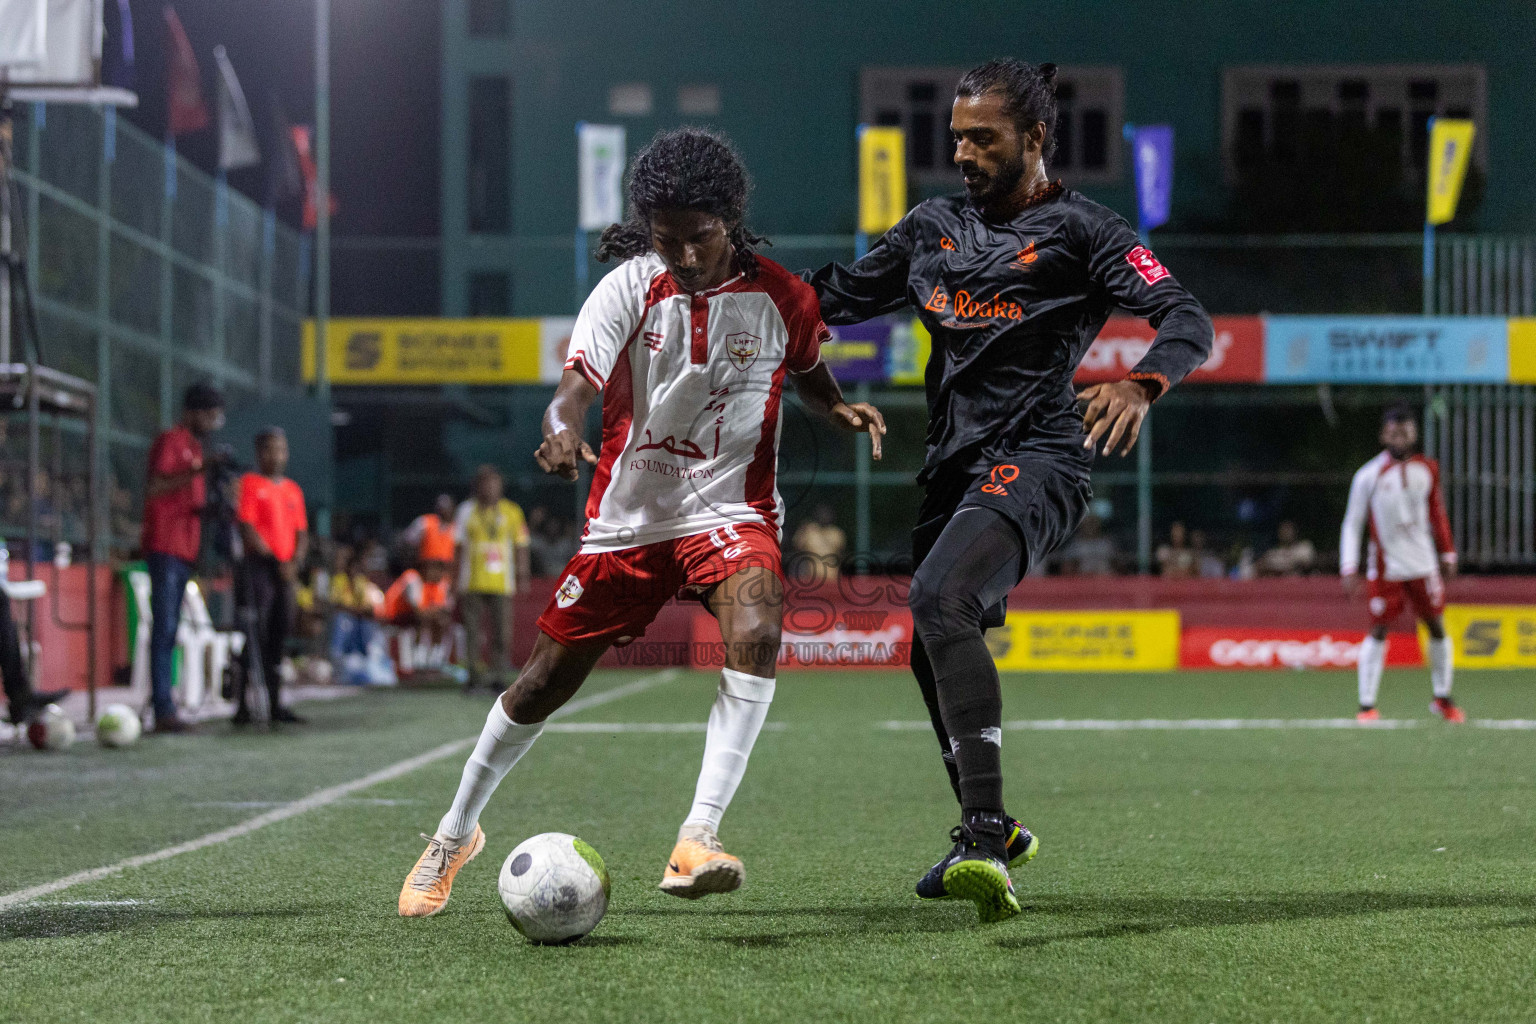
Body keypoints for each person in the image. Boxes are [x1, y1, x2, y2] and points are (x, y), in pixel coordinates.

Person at [398, 127, 884, 918]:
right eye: (668, 240)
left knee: (758, 625)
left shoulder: (785, 297)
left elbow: (808, 371)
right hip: (629, 518)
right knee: (542, 684)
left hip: (729, 506)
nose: (685, 255)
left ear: (731, 219)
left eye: (700, 237)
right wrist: (559, 429)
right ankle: (454, 833)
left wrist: (840, 408)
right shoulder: (630, 285)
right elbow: (574, 385)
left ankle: (699, 834)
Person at [805, 59, 1213, 921]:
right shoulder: (929, 228)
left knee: (939, 596)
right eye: (956, 135)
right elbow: (831, 298)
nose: (962, 151)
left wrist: (1142, 383)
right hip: (954, 468)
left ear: (1034, 138)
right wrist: (730, 277)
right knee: (928, 636)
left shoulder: (1087, 231)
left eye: (982, 137)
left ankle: (983, 836)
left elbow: (1186, 316)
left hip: (1043, 453)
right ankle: (994, 825)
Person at [1340, 404, 1462, 723]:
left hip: (1423, 562)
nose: (1400, 437)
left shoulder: (1428, 470)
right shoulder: (1368, 475)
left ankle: (1443, 698)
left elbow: (1438, 513)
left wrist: (1447, 552)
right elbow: (1353, 523)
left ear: (1415, 433)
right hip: (1386, 565)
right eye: (1394, 431)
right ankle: (1366, 704)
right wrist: (1349, 566)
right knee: (1379, 629)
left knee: (1436, 625)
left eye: (1406, 431)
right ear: (1383, 435)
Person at [140, 382, 225, 734]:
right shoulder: (173, 441)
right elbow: (156, 486)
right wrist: (199, 470)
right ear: (192, 411)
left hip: (184, 550)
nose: (212, 421)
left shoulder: (194, 448)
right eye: (209, 414)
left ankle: (167, 704)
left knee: (171, 629)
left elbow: (191, 502)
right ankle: (163, 709)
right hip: (164, 546)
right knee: (165, 630)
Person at [234, 427, 309, 725]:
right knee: (256, 633)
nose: (278, 456)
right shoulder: (250, 484)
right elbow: (247, 527)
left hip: (286, 571)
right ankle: (242, 706)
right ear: (260, 453)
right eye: (272, 449)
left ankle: (276, 704)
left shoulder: (293, 489)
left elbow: (301, 533)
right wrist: (274, 558)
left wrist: (294, 561)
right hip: (260, 569)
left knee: (280, 632)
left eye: (282, 449)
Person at [454, 466, 531, 691]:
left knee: (502, 634)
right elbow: (457, 549)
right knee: (471, 634)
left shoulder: (512, 511)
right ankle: (473, 678)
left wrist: (522, 573)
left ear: (501, 486)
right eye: (485, 483)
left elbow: (521, 545)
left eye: (494, 483)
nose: (489, 488)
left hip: (501, 582)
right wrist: (453, 581)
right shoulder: (466, 511)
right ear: (477, 486)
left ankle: (497, 677)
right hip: (471, 581)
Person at [790, 504, 847, 586]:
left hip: (832, 579)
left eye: (827, 514)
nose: (824, 516)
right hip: (811, 578)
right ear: (816, 515)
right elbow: (796, 551)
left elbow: (841, 556)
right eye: (821, 513)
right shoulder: (808, 530)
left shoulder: (837, 533)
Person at [403, 495, 458, 566]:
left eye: (447, 507)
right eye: (441, 507)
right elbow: (407, 541)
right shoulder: (424, 523)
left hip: (447, 571)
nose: (444, 511)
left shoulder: (457, 528)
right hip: (426, 570)